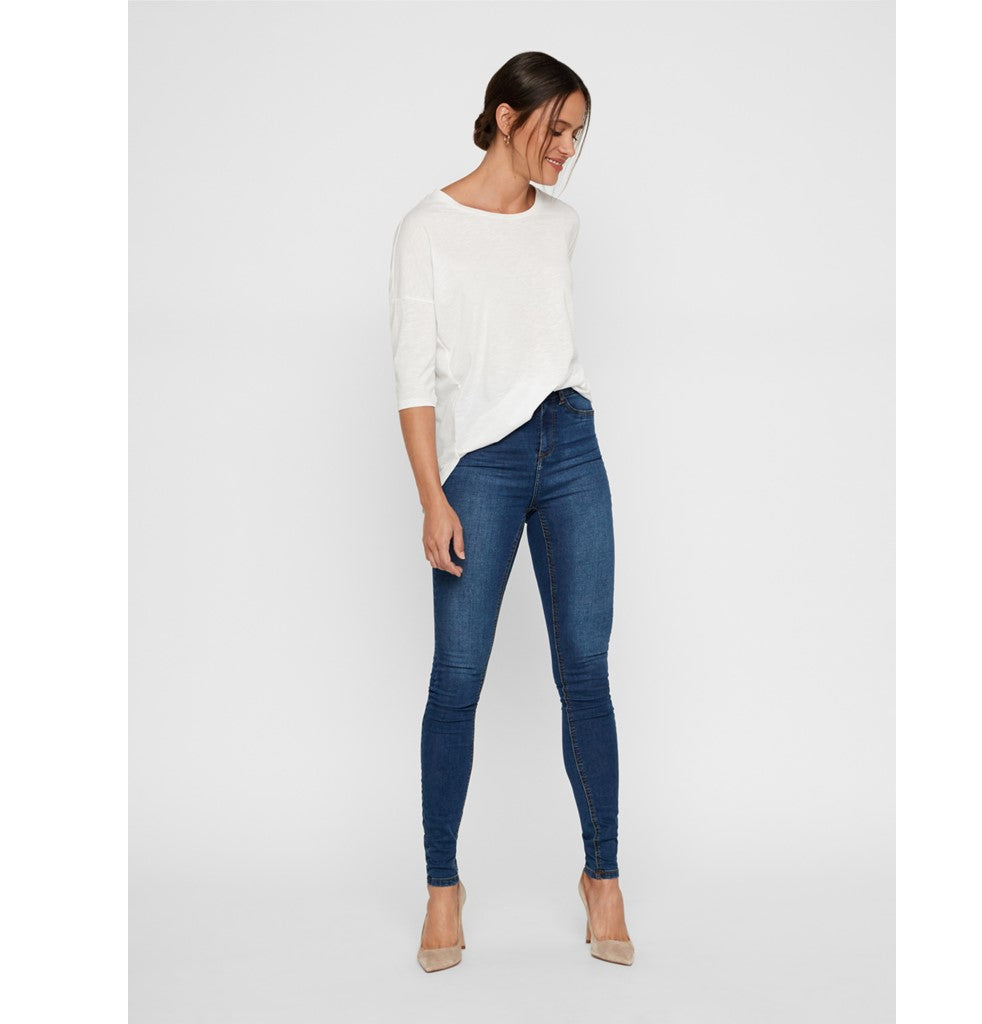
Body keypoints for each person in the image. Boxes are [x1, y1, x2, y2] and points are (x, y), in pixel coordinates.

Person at [387, 51, 634, 972]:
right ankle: (442, 888)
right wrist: (431, 497)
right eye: (554, 129)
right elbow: (414, 377)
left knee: (586, 673)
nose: (567, 149)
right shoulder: (427, 228)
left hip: (570, 447)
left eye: (577, 134)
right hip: (480, 468)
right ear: (504, 116)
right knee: (457, 679)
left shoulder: (562, 225)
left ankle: (603, 878)